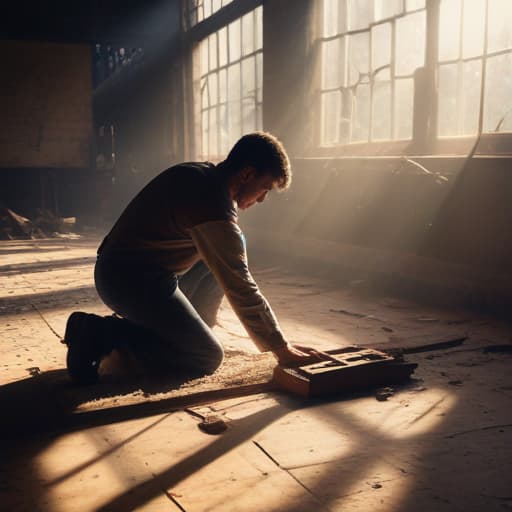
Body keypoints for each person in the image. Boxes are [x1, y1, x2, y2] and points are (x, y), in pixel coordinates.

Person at [63, 132, 322, 384]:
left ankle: (191, 330)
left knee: (233, 245)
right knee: (206, 355)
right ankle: (99, 333)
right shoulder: (211, 204)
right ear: (247, 174)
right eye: (264, 188)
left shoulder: (199, 173)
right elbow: (240, 284)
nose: (263, 199)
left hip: (137, 271)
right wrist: (279, 346)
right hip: (128, 281)